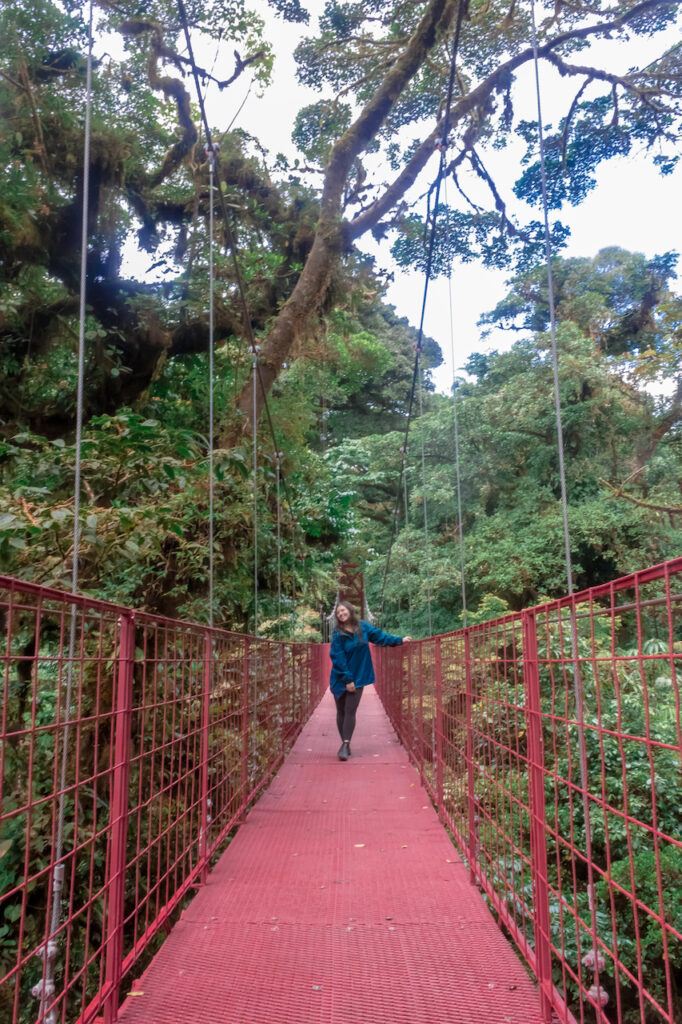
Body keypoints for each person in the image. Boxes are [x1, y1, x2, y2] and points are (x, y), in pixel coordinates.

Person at [329, 600, 411, 761]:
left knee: (350, 711)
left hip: (359, 676)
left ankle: (345, 744)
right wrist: (347, 679)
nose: (341, 614)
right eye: (338, 612)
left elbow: (380, 637)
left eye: (343, 610)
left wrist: (399, 640)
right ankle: (345, 743)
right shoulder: (337, 634)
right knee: (341, 711)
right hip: (340, 677)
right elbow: (337, 657)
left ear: (350, 611)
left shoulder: (363, 627)